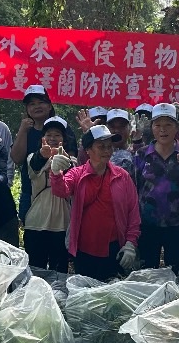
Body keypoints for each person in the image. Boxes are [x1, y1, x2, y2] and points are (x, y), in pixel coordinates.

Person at [50, 124, 142, 281]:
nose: (107, 151)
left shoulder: (122, 176)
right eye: (101, 146)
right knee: (86, 292)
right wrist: (56, 173)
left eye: (109, 146)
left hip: (115, 248)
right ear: (88, 150)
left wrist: (130, 244)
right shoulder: (77, 174)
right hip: (83, 250)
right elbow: (61, 190)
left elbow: (133, 212)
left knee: (111, 291)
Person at [133, 103, 179, 272]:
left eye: (168, 125)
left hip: (178, 224)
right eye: (158, 125)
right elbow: (134, 188)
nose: (163, 130)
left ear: (177, 128)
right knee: (147, 272)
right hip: (148, 225)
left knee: (177, 272)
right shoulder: (141, 154)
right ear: (152, 128)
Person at [11, 85, 76, 227]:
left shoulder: (63, 127)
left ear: (49, 105)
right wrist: (22, 130)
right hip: (30, 192)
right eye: (32, 104)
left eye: (41, 102)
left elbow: (72, 162)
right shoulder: (26, 130)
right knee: (31, 230)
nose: (37, 107)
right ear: (27, 109)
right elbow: (17, 158)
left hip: (60, 195)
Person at [23, 116, 76, 273]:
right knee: (35, 270)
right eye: (49, 135)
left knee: (59, 272)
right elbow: (34, 166)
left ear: (64, 140)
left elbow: (71, 176)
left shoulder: (72, 161)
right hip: (36, 222)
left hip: (62, 224)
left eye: (57, 135)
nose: (52, 138)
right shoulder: (32, 157)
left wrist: (64, 161)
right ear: (42, 138)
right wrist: (42, 155)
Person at [104, 109, 138, 177]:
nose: (117, 130)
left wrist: (138, 141)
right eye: (112, 127)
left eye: (122, 126)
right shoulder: (99, 153)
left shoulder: (138, 150)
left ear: (129, 128)